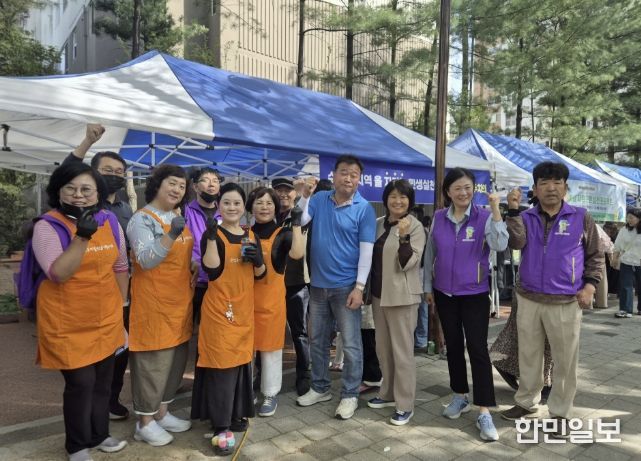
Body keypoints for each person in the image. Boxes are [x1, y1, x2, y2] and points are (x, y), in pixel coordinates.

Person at [501, 162, 604, 440]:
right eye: (544, 183)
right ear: (535, 189)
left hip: (565, 300)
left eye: (557, 182)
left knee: (565, 360)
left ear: (565, 187)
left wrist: (590, 286)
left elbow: (595, 254)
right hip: (529, 298)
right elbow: (516, 243)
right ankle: (526, 402)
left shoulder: (580, 217)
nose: (551, 188)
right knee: (529, 355)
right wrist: (513, 211)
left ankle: (560, 412)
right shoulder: (526, 216)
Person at [33, 162, 128, 461]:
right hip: (68, 322)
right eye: (70, 188)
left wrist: (121, 309)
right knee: (81, 384)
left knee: (103, 382)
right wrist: (82, 237)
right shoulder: (47, 226)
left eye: (86, 189)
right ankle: (76, 445)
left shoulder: (109, 221)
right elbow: (58, 273)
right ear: (58, 191)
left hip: (106, 317)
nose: (78, 195)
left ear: (98, 193)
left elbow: (120, 266)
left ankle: (100, 435)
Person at [423, 168, 506, 442]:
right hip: (444, 293)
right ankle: (459, 396)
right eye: (457, 188)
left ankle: (484, 410)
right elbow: (430, 254)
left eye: (468, 187)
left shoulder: (484, 216)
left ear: (474, 190)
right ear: (448, 192)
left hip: (474, 293)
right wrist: (427, 287)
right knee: (454, 347)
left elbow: (500, 243)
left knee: (478, 349)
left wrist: (496, 210)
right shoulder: (439, 217)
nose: (463, 192)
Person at [295, 155, 377, 420]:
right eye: (344, 172)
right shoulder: (320, 199)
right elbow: (301, 220)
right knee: (318, 341)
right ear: (334, 174)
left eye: (354, 174)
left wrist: (359, 287)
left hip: (346, 287)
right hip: (318, 286)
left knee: (351, 345)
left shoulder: (364, 209)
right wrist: (304, 195)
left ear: (359, 179)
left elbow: (366, 252)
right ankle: (320, 387)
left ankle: (350, 394)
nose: (348, 178)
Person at [64, 123, 134, 420]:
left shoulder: (124, 209)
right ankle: (89, 413)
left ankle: (110, 401)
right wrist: (86, 143)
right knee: (89, 360)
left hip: (118, 291)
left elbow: (123, 257)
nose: (114, 176)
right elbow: (66, 173)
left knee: (118, 352)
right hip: (84, 293)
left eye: (119, 172)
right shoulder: (83, 201)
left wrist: (124, 299)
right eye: (107, 170)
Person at [191, 183, 266, 456]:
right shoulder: (213, 233)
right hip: (220, 310)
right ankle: (220, 426)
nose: (232, 207)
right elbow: (211, 271)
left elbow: (260, 274)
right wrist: (211, 238)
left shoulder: (250, 235)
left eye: (237, 203)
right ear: (218, 205)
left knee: (240, 363)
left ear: (244, 206)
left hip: (244, 309)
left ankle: (236, 413)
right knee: (222, 365)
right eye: (226, 202)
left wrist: (258, 260)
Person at [126, 165, 196, 447]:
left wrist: (193, 264)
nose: (177, 189)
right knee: (153, 365)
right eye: (172, 183)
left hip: (180, 304)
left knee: (174, 362)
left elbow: (180, 255)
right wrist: (170, 235)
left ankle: (162, 413)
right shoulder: (141, 220)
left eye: (181, 185)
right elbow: (145, 260)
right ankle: (144, 423)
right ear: (157, 184)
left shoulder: (176, 217)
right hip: (153, 306)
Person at [366, 179, 426, 426]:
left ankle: (405, 404)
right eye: (393, 196)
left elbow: (409, 263)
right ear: (386, 199)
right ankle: (387, 393)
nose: (397, 201)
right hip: (379, 296)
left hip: (402, 297)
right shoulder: (378, 224)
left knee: (402, 352)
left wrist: (403, 237)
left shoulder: (415, 226)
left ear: (410, 201)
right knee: (383, 349)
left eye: (403, 196)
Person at [245, 186, 305, 416]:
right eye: (259, 202)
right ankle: (245, 390)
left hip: (271, 302)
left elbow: (297, 254)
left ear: (276, 208)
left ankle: (269, 394)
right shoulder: (243, 234)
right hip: (244, 301)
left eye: (269, 203)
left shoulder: (283, 233)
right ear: (251, 207)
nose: (264, 207)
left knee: (271, 350)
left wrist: (296, 224)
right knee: (245, 349)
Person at [273, 177, 311, 395]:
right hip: (270, 285)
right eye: (278, 190)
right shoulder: (269, 216)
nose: (283, 194)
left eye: (287, 190)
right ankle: (265, 374)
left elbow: (304, 209)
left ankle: (303, 375)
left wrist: (304, 194)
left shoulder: (298, 215)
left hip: (295, 283)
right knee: (270, 330)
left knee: (299, 333)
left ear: (294, 193)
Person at [185, 167, 224, 326]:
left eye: (215, 181)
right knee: (187, 328)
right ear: (195, 187)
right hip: (193, 281)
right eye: (206, 180)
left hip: (219, 281)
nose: (211, 184)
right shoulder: (185, 211)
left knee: (213, 329)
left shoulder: (225, 211)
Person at [612, 208, 641, 318]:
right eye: (628, 217)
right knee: (625, 286)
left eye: (631, 218)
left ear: (639, 218)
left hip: (639, 262)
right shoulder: (624, 230)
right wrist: (615, 258)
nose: (629, 220)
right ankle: (625, 310)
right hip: (626, 261)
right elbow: (617, 245)